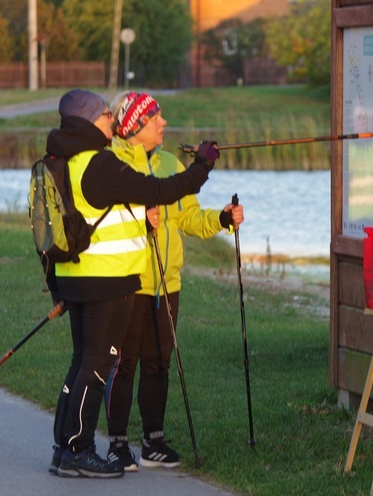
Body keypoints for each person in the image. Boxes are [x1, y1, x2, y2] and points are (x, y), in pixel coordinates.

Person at [45, 88, 221, 479]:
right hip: (105, 280)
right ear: (90, 121)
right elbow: (160, 190)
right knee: (97, 364)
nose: (112, 120)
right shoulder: (99, 164)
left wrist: (56, 288)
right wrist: (202, 167)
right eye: (106, 115)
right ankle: (79, 449)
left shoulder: (64, 161)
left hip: (77, 277)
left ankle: (63, 447)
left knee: (82, 363)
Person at [102, 91, 244, 471]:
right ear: (134, 126)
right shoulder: (111, 163)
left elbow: (189, 219)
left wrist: (222, 219)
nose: (163, 123)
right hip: (127, 279)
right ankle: (117, 444)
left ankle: (153, 441)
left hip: (167, 282)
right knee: (125, 362)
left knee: (159, 362)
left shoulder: (168, 164)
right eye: (155, 119)